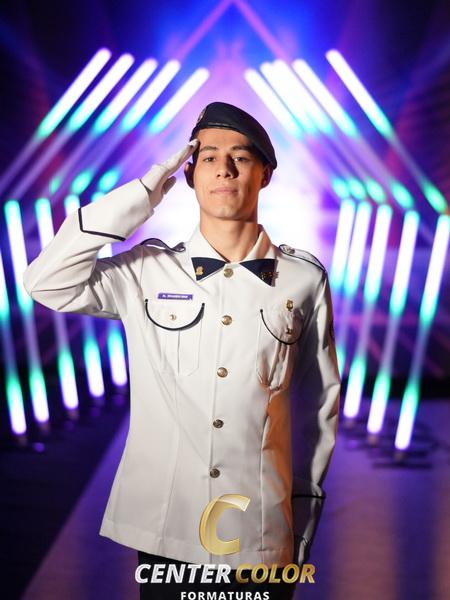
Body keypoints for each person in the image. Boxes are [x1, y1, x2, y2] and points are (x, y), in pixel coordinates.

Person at [23, 101, 341, 599]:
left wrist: (298, 528)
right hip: (167, 528)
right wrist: (146, 190)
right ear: (190, 174)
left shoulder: (302, 279)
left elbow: (315, 413)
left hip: (260, 532)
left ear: (265, 174)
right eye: (208, 156)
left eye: (240, 156)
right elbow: (47, 282)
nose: (224, 168)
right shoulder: (145, 271)